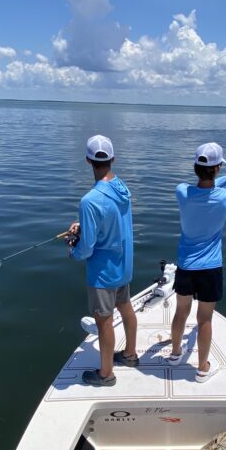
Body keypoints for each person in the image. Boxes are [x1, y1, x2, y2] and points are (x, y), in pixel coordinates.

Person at [169, 142, 226, 382]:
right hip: (210, 268)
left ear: (196, 167)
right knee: (204, 319)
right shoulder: (225, 197)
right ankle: (202, 367)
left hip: (185, 265)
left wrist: (223, 177)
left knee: (181, 312)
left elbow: (203, 187)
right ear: (216, 168)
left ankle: (175, 354)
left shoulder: (181, 192)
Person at [67, 135, 138, 386]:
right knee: (126, 307)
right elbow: (112, 225)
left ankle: (106, 374)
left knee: (104, 320)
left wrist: (73, 251)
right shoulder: (122, 189)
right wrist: (84, 227)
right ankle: (130, 354)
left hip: (102, 273)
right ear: (113, 159)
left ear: (88, 161)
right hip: (123, 265)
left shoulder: (89, 201)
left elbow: (86, 248)